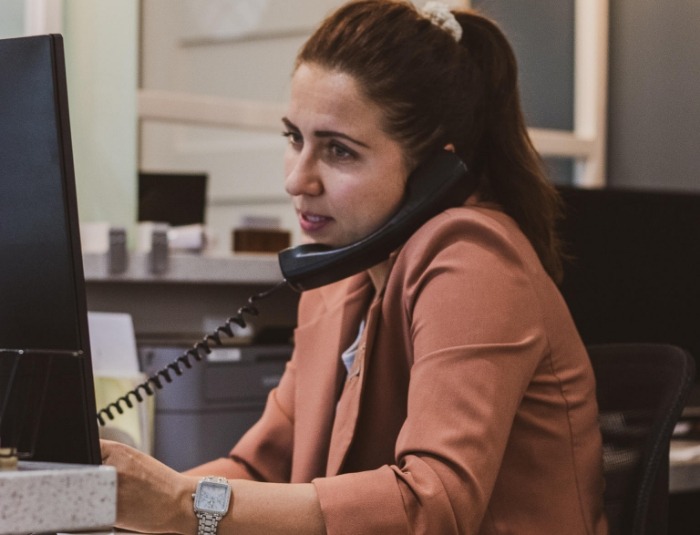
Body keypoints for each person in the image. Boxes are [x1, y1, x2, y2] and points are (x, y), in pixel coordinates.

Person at [101, 1, 609, 533]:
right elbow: (260, 470)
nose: (298, 180)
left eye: (339, 151)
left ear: (435, 169)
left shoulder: (473, 261)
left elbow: (433, 505)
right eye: (294, 138)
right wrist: (121, 507)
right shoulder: (339, 278)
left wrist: (182, 505)